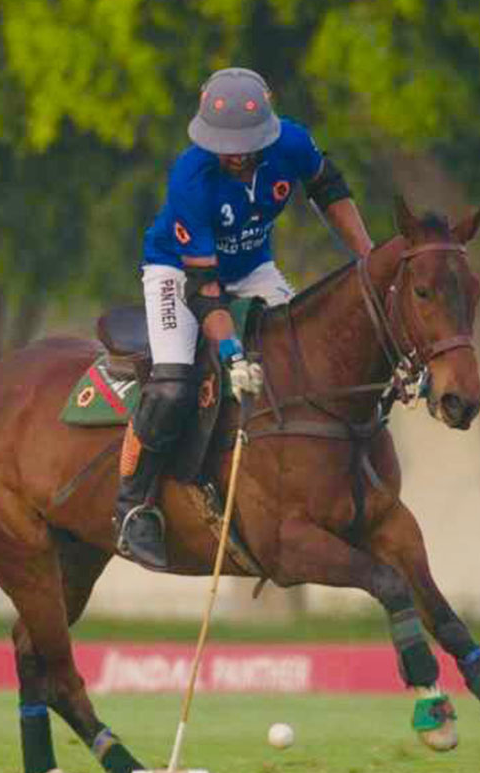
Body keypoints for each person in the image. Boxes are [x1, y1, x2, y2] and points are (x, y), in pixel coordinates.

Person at [113, 66, 376, 569]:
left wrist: (368, 258)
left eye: (243, 143)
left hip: (254, 267)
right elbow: (206, 289)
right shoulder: (190, 177)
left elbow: (330, 189)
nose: (233, 153)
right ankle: (132, 506)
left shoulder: (292, 143)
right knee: (172, 384)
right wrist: (231, 351)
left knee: (303, 360)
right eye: (223, 143)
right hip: (178, 272)